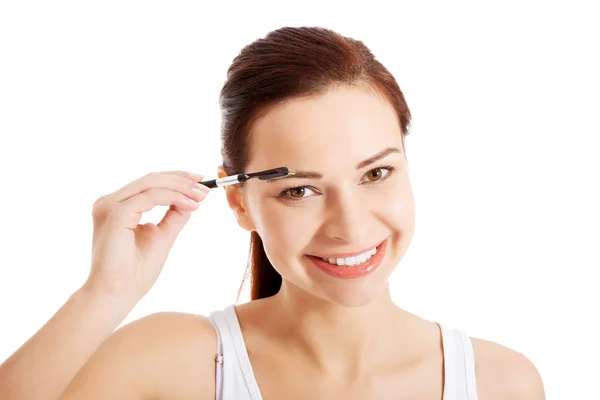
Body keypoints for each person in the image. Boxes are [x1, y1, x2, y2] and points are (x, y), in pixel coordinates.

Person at [0, 26, 545, 400]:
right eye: (300, 190)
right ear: (239, 202)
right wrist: (105, 294)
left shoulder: (501, 382)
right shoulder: (173, 361)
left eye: (376, 174)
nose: (351, 226)